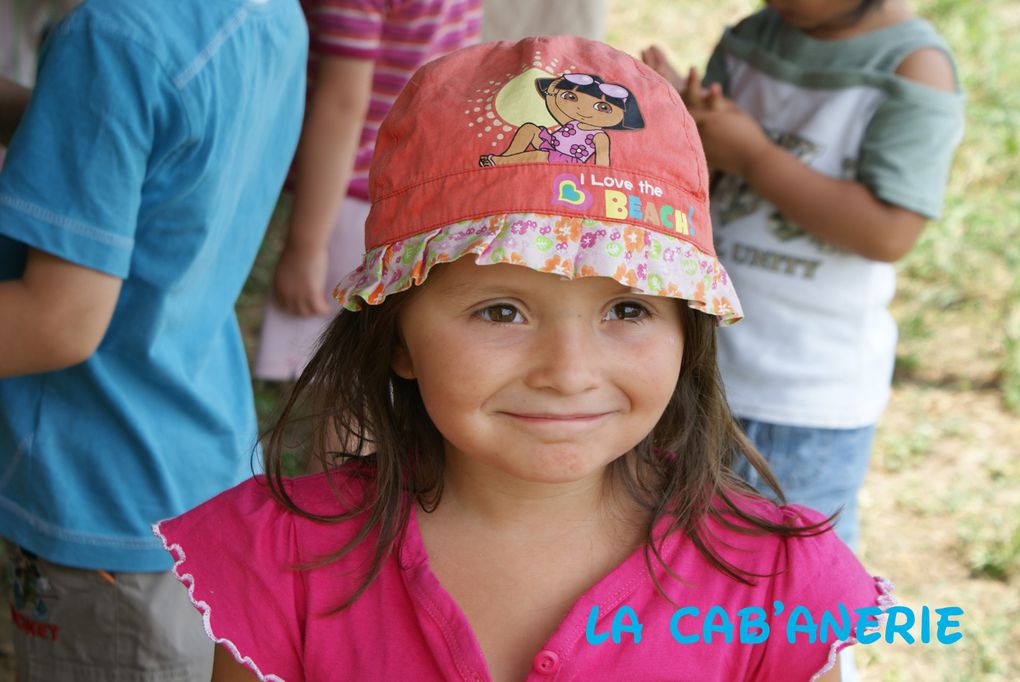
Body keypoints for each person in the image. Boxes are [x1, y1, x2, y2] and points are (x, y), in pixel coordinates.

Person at [155, 36, 892, 682]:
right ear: (399, 337)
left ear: (688, 331)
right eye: (500, 311)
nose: (568, 371)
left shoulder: (779, 584)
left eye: (628, 309)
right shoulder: (286, 557)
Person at [0, 0, 307, 679]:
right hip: (196, 463)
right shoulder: (267, 13)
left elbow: (56, 322)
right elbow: (155, 151)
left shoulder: (110, 38)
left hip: (100, 485)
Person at [642, 0, 964, 552]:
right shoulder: (754, 37)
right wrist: (688, 122)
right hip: (697, 371)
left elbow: (887, 233)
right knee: (684, 553)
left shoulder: (913, 66)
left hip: (806, 395)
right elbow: (703, 187)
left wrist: (754, 157)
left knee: (794, 570)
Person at [253, 0, 482, 381]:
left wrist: (305, 247)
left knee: (343, 385)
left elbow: (342, 106)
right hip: (422, 187)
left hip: (349, 201)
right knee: (376, 379)